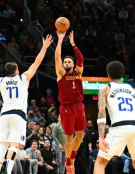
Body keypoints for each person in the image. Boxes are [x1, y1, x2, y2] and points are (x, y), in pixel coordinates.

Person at [0, 34, 53, 174]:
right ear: (16, 70)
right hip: (18, 115)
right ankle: (8, 172)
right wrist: (44, 47)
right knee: (14, 147)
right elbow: (36, 63)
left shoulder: (2, 80)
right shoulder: (23, 78)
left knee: (2, 147)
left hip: (4, 115)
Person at [93, 61, 135, 174]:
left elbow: (102, 114)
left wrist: (101, 138)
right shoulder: (134, 90)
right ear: (122, 75)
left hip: (120, 127)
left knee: (100, 163)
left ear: (108, 75)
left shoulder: (105, 89)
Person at [55, 30, 86, 173]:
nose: (66, 63)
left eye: (69, 61)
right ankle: (68, 164)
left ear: (73, 64)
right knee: (69, 137)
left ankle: (71, 157)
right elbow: (57, 58)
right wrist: (60, 40)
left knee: (80, 135)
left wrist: (73, 44)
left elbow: (81, 58)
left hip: (79, 106)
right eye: (65, 61)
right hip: (66, 108)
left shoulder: (78, 73)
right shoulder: (61, 74)